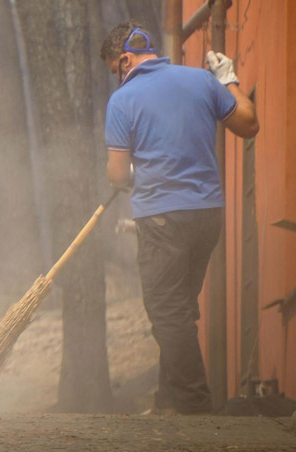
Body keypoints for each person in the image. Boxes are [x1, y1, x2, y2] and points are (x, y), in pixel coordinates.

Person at [100, 21, 258, 415]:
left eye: (113, 70)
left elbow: (118, 175)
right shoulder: (203, 82)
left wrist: (136, 175)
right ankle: (167, 403)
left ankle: (195, 408)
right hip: (207, 214)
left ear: (124, 59)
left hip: (162, 219)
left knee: (167, 312)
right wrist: (229, 79)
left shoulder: (123, 99)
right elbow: (248, 123)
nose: (115, 78)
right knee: (181, 309)